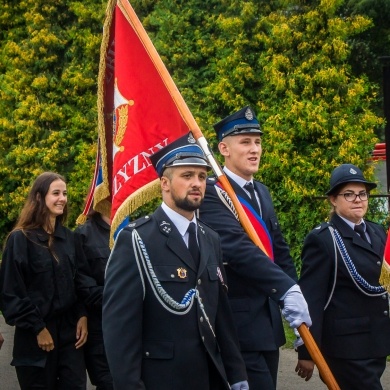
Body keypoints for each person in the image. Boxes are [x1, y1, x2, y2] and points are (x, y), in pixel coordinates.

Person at [103, 133, 249, 390]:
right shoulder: (137, 239)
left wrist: (237, 376)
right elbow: (120, 330)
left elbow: (222, 317)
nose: (197, 183)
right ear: (165, 184)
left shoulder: (210, 238)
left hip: (207, 377)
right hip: (161, 379)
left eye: (202, 177)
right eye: (187, 175)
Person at [199, 106, 312, 390]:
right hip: (237, 326)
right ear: (223, 148)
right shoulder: (212, 193)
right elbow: (237, 249)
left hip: (268, 327)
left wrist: (294, 295)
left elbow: (279, 251)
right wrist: (285, 288)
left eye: (258, 142)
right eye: (245, 142)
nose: (255, 149)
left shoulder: (261, 191)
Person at [296, 163, 390, 389]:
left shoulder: (376, 232)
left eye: (362, 194)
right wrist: (307, 351)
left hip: (376, 341)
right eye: (348, 194)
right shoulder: (323, 239)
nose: (358, 199)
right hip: (346, 347)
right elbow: (312, 299)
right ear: (333, 200)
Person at [0, 171, 96, 389]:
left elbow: (80, 282)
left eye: (64, 193)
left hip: (70, 336)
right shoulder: (20, 239)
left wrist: (82, 315)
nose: (62, 198)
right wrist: (38, 328)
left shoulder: (70, 239)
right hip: (35, 339)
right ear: (39, 197)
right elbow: (11, 292)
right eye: (56, 193)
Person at [74, 210, 113, 390]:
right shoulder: (84, 234)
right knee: (108, 384)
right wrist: (124, 296)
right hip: (100, 328)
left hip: (134, 327)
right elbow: (83, 286)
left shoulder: (133, 229)